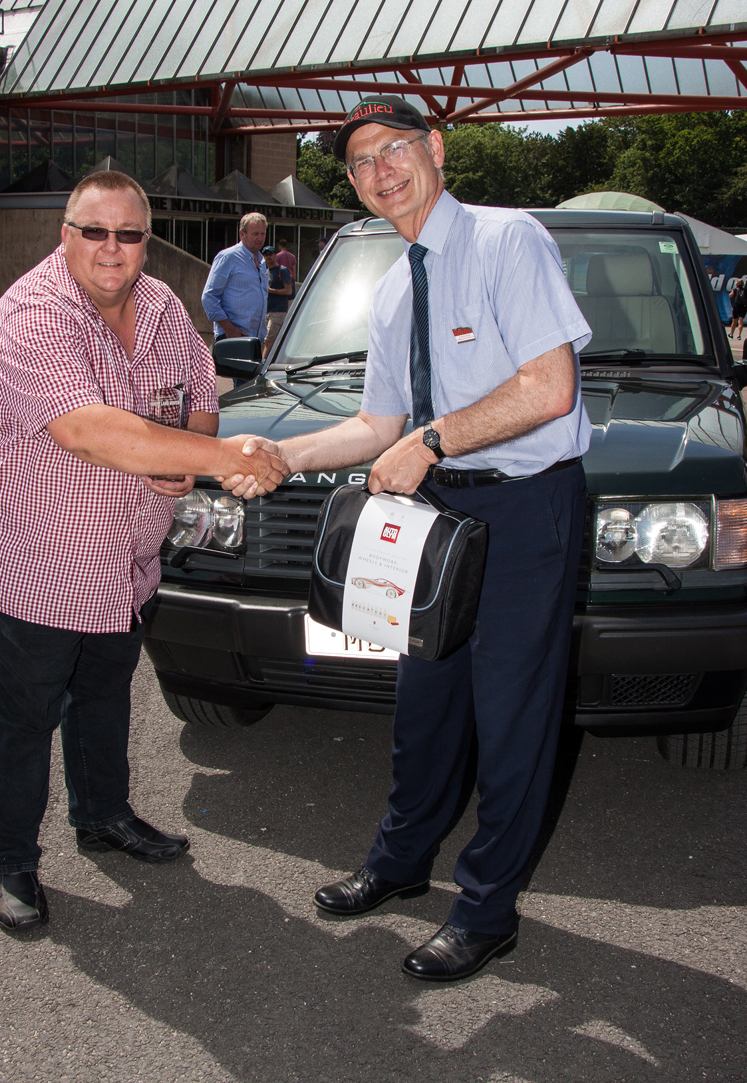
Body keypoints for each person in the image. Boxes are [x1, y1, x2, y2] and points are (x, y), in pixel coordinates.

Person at [231, 96, 591, 982]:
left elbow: (548, 389)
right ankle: (398, 864)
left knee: (511, 715)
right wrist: (277, 454)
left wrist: (429, 441)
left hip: (525, 506)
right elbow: (374, 422)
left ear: (435, 148)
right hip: (438, 518)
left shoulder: (509, 241)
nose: (379, 171)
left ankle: (488, 907)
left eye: (394, 149)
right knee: (425, 703)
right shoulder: (394, 287)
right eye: (359, 163)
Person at [0, 171, 286, 932]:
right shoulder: (32, 311)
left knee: (103, 697)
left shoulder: (166, 305)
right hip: (33, 562)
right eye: (95, 231)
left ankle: (102, 814)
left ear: (145, 238)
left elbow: (200, 396)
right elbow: (85, 428)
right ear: (65, 234)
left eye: (129, 233)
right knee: (20, 717)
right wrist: (220, 455)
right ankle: (11, 859)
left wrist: (193, 449)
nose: (113, 248)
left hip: (125, 560)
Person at [201, 212, 269, 345]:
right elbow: (209, 297)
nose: (260, 238)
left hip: (255, 339)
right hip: (232, 338)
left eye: (263, 234)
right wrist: (229, 329)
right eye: (255, 234)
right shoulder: (228, 257)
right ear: (242, 234)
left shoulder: (261, 261)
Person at [262, 246, 292, 358]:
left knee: (268, 340)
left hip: (278, 311)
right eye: (266, 254)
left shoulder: (282, 270)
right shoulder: (265, 272)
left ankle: (262, 365)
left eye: (271, 254)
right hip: (266, 311)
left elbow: (288, 291)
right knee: (265, 340)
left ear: (275, 255)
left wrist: (271, 290)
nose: (268, 257)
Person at [729, 277, 746, 341]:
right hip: (743, 306)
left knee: (734, 320)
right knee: (741, 321)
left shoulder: (735, 290)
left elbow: (730, 295)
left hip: (736, 306)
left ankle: (731, 334)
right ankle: (739, 335)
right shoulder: (745, 290)